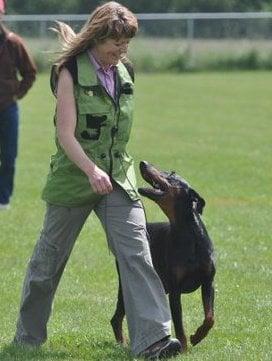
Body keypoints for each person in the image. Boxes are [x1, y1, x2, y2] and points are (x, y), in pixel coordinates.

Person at [13, 2, 182, 358]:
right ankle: (27, 340)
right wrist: (91, 170)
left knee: (137, 252)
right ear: (96, 38)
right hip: (74, 179)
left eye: (126, 45)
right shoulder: (69, 70)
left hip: (117, 178)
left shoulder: (126, 71)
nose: (121, 52)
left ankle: (152, 340)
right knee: (47, 263)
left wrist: (105, 171)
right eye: (115, 44)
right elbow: (66, 134)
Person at [0, 0, 36, 210]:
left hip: (8, 108)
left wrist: (17, 94)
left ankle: (3, 199)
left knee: (9, 156)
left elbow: (30, 73)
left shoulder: (13, 43)